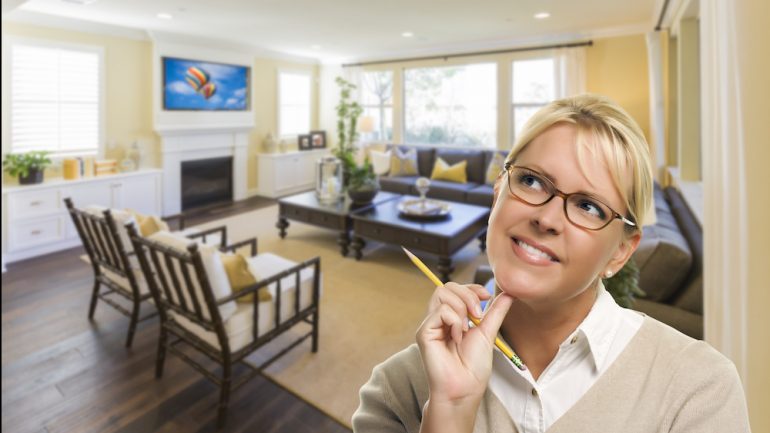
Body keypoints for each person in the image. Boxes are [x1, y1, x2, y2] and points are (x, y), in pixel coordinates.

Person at [352, 94, 750, 433]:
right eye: (532, 181)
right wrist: (451, 412)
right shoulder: (397, 389)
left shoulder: (699, 389)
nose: (546, 218)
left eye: (588, 206)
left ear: (621, 252)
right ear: (498, 196)